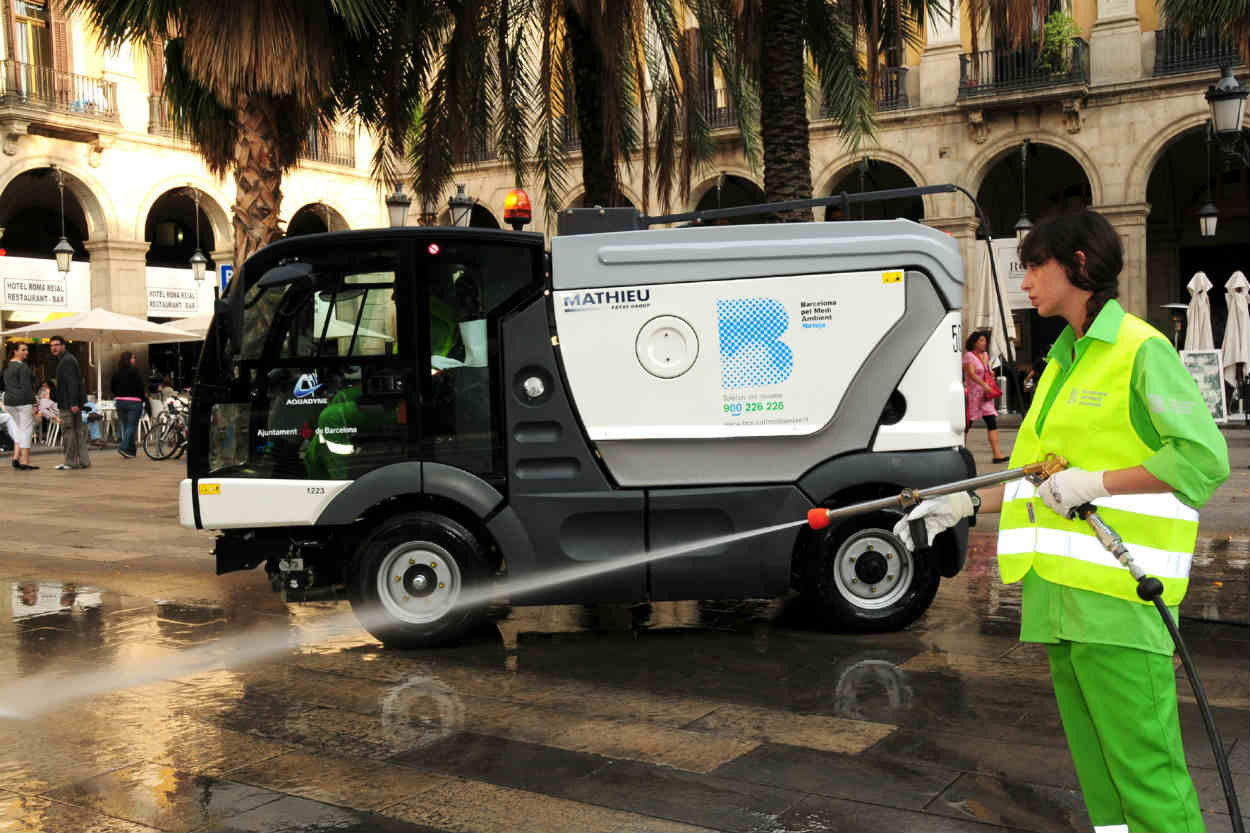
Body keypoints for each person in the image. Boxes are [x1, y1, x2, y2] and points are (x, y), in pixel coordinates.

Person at [895, 210, 1229, 833]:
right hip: (1061, 602)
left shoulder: (1138, 349)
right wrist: (962, 503)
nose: (1024, 281)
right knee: (1102, 780)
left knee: (1147, 776)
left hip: (1121, 604)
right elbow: (1030, 475)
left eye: (1033, 266)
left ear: (1077, 264)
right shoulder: (1061, 360)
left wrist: (1097, 482)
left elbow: (1201, 460)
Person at [963, 330, 1009, 463]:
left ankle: (997, 454)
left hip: (985, 395)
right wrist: (985, 385)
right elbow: (971, 374)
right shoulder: (969, 356)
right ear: (974, 342)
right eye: (981, 341)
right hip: (973, 395)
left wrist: (991, 375)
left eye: (985, 341)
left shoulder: (986, 355)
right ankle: (961, 451)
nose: (984, 343)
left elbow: (987, 370)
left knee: (991, 421)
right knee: (968, 423)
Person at [49, 336, 90, 470]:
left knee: (69, 432)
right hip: (72, 402)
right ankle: (84, 461)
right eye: (51, 345)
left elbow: (72, 383)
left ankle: (71, 461)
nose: (54, 348)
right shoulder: (68, 359)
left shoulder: (66, 361)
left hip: (68, 403)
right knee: (78, 431)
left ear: (63, 346)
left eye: (57, 345)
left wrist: (73, 403)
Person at [3, 342, 38, 470]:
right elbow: (26, 388)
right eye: (23, 350)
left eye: (27, 350)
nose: (26, 352)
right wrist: (34, 403)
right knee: (27, 430)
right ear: (15, 351)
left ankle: (16, 457)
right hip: (23, 401)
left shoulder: (6, 366)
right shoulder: (23, 367)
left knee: (19, 429)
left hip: (9, 402)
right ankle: (25, 461)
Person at [110, 351, 144, 459]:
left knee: (126, 426)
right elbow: (140, 387)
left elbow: (112, 387)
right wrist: (142, 398)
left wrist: (118, 395)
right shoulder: (135, 371)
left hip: (120, 402)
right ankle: (123, 447)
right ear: (129, 359)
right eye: (133, 357)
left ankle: (131, 451)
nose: (134, 360)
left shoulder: (116, 372)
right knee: (132, 426)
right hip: (134, 402)